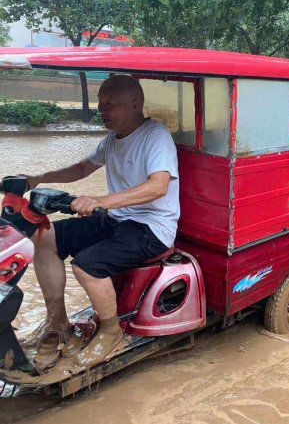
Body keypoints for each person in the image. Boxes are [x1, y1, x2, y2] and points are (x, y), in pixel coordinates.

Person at [23, 74, 180, 369]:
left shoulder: (155, 136)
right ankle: (57, 321)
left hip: (152, 227)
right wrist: (37, 179)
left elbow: (159, 186)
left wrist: (100, 202)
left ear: (134, 104)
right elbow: (83, 167)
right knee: (42, 237)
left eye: (109, 104)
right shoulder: (113, 138)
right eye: (100, 104)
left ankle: (111, 332)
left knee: (86, 265)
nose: (102, 110)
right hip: (117, 218)